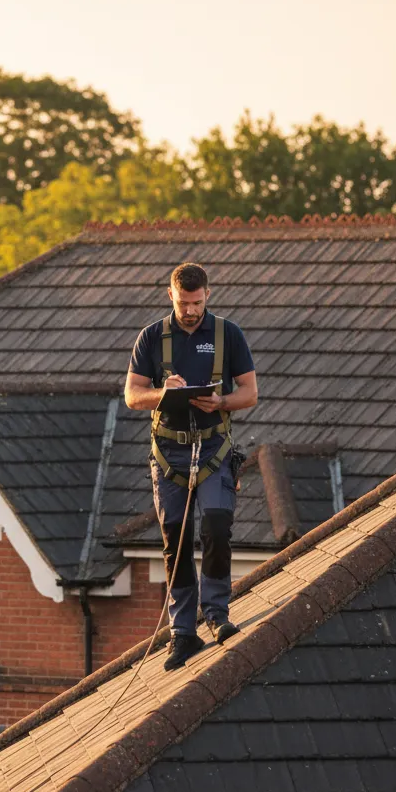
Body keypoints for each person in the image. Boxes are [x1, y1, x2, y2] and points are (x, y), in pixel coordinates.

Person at [125, 262, 258, 670]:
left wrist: (220, 402)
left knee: (217, 524)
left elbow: (250, 392)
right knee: (175, 537)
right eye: (183, 303)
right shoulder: (151, 338)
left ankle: (217, 613)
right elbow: (133, 395)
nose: (190, 310)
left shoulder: (227, 335)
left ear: (208, 295)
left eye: (197, 303)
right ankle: (183, 631)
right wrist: (164, 392)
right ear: (170, 295)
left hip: (214, 448)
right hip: (169, 453)